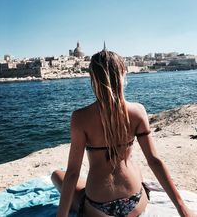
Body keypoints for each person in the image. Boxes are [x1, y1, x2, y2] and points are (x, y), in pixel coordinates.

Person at [52, 49, 196, 217]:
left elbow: (72, 174)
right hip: (134, 203)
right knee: (134, 166)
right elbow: (154, 161)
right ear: (123, 74)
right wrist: (182, 208)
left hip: (98, 208)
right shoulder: (138, 111)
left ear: (93, 79)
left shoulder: (80, 118)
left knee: (57, 175)